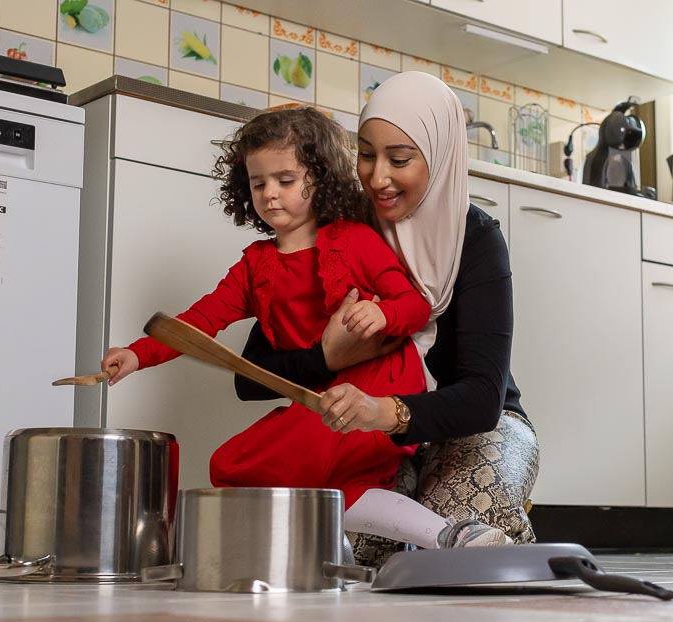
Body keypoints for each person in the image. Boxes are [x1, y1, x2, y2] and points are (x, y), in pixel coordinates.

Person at [101, 107, 512, 550]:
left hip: (379, 384)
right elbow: (200, 322)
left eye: (286, 181)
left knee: (315, 470)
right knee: (238, 465)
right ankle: (445, 537)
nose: (270, 195)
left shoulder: (354, 240)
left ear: (320, 179)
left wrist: (384, 315)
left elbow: (414, 303)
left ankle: (441, 537)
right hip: (328, 392)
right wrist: (139, 353)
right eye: (258, 184)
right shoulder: (253, 265)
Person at [235, 73, 540, 566]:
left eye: (400, 160)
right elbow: (248, 377)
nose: (377, 178)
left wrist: (387, 412)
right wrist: (327, 357)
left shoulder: (476, 240)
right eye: (366, 154)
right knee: (349, 553)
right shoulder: (337, 231)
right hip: (370, 435)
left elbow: (484, 398)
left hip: (476, 426)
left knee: (455, 543)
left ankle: (508, 538)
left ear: (439, 156)